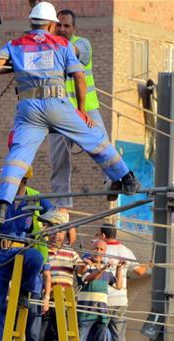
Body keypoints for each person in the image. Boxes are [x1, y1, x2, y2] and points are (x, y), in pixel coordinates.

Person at [0, 1, 138, 225]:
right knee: (94, 140)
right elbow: (78, 76)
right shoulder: (61, 44)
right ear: (51, 25)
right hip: (59, 104)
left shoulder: (16, 44)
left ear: (32, 22)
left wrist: (19, 64)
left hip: (29, 109)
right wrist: (81, 110)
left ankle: (1, 204)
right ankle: (127, 178)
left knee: (19, 156)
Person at [0, 168, 65, 341]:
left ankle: (23, 292)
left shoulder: (35, 197)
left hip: (22, 250)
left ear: (23, 180)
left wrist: (50, 226)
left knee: (35, 258)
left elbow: (58, 215)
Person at [48, 8, 106, 243]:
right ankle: (62, 207)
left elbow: (72, 52)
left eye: (66, 26)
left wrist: (45, 43)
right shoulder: (47, 47)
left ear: (74, 29)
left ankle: (113, 179)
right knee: (58, 160)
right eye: (58, 25)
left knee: (101, 142)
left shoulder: (83, 44)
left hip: (86, 109)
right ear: (53, 26)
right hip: (59, 112)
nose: (62, 29)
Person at [98, 222, 149, 341]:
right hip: (120, 300)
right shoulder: (126, 251)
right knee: (118, 335)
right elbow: (140, 271)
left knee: (99, 333)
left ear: (103, 235)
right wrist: (148, 265)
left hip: (102, 299)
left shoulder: (100, 249)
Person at [77, 238, 124, 341]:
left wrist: (119, 268)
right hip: (85, 310)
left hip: (102, 312)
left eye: (101, 249)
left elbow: (118, 285)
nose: (98, 251)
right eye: (95, 248)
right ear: (90, 250)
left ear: (105, 252)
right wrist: (103, 268)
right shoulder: (84, 264)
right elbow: (88, 278)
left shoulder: (107, 271)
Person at [39, 228, 85, 341]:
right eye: (53, 232)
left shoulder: (70, 252)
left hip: (65, 298)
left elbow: (81, 271)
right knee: (43, 333)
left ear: (64, 235)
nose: (56, 235)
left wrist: (85, 264)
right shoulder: (43, 251)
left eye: (59, 232)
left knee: (61, 332)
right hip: (46, 298)